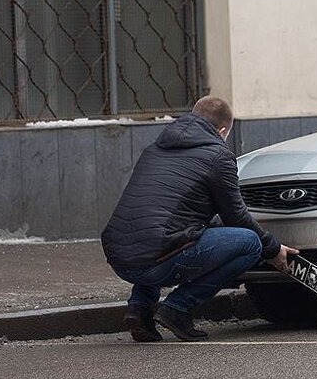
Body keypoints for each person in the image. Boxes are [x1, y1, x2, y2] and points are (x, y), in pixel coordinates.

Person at [101, 96, 297, 342]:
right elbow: (236, 215)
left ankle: (140, 309)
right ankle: (178, 308)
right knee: (250, 243)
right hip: (156, 261)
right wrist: (272, 248)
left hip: (119, 256)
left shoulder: (155, 149)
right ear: (222, 130)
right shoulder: (218, 156)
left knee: (157, 236)